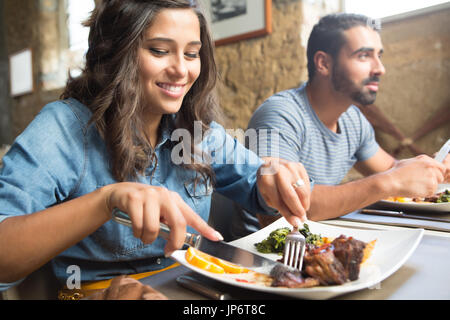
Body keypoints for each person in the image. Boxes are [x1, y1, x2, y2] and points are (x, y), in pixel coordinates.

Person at [0, 0, 311, 297]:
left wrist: (273, 179)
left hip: (198, 287)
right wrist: (106, 200)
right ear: (116, 52)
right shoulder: (63, 128)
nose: (181, 70)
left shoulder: (193, 129)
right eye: (160, 51)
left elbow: (257, 185)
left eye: (191, 54)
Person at [232, 13, 448, 235]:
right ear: (323, 63)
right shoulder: (280, 114)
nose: (379, 68)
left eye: (379, 56)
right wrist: (388, 182)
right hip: (260, 253)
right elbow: (282, 204)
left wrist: (437, 168)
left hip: (319, 241)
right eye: (364, 56)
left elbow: (393, 171)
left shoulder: (353, 119)